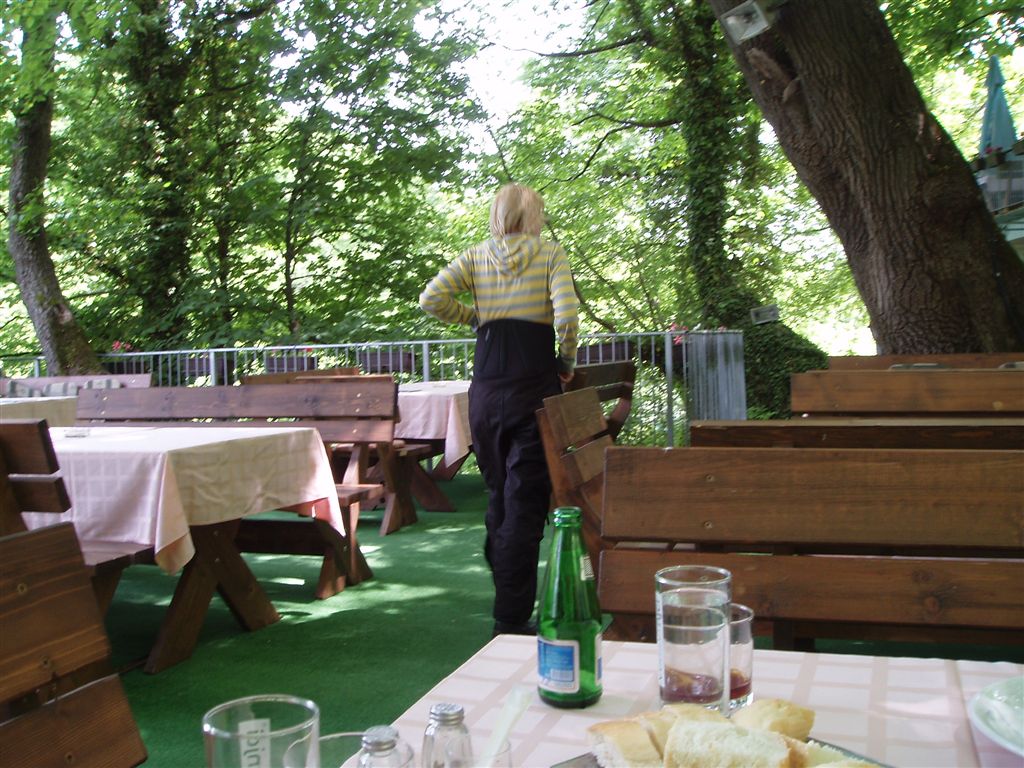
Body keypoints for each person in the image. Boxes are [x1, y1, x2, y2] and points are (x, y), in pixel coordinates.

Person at [419, 183, 580, 637]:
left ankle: (505, 573)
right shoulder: (550, 254)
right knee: (524, 501)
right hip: (534, 388)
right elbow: (567, 318)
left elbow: (430, 299)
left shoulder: (475, 256)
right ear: (533, 216)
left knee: (499, 493)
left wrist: (475, 318)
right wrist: (566, 363)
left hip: (487, 390)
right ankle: (509, 618)